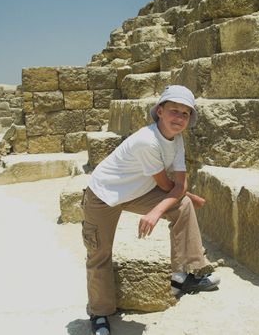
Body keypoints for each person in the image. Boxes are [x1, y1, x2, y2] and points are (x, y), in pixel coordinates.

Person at [81, 85, 220, 335]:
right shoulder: (147, 141)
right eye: (174, 111)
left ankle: (185, 275)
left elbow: (178, 186)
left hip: (137, 191)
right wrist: (170, 202)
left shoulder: (176, 140)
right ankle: (99, 313)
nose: (179, 118)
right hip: (104, 195)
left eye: (185, 114)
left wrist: (171, 202)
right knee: (99, 252)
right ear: (160, 112)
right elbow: (168, 185)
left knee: (183, 205)